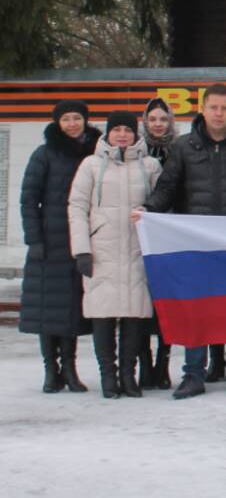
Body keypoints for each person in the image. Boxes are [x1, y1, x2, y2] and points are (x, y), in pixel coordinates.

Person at [138, 83, 226, 399]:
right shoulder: (184, 146)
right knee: (196, 309)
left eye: (225, 108)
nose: (218, 113)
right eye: (213, 107)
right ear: (203, 109)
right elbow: (168, 188)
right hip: (195, 242)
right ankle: (193, 375)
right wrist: (148, 210)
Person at [67, 111, 162, 398]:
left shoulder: (150, 165)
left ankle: (127, 375)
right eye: (117, 129)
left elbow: (162, 202)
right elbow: (76, 207)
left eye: (128, 129)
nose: (123, 134)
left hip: (136, 249)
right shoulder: (91, 165)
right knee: (103, 316)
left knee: (134, 315)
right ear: (108, 133)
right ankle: (108, 376)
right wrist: (81, 249)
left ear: (136, 133)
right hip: (102, 250)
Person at [19, 100, 100, 394]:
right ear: (57, 123)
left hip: (79, 242)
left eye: (77, 118)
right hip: (48, 243)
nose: (72, 124)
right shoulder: (44, 154)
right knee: (47, 310)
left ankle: (70, 367)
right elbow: (29, 200)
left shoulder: (93, 153)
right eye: (66, 119)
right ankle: (51, 371)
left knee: (70, 309)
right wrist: (34, 240)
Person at [137, 97, 177, 390]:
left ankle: (163, 363)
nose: (158, 124)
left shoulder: (180, 149)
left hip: (170, 234)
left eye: (163, 119)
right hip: (139, 231)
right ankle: (143, 363)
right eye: (153, 119)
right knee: (140, 302)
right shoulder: (135, 151)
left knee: (166, 301)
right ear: (145, 122)